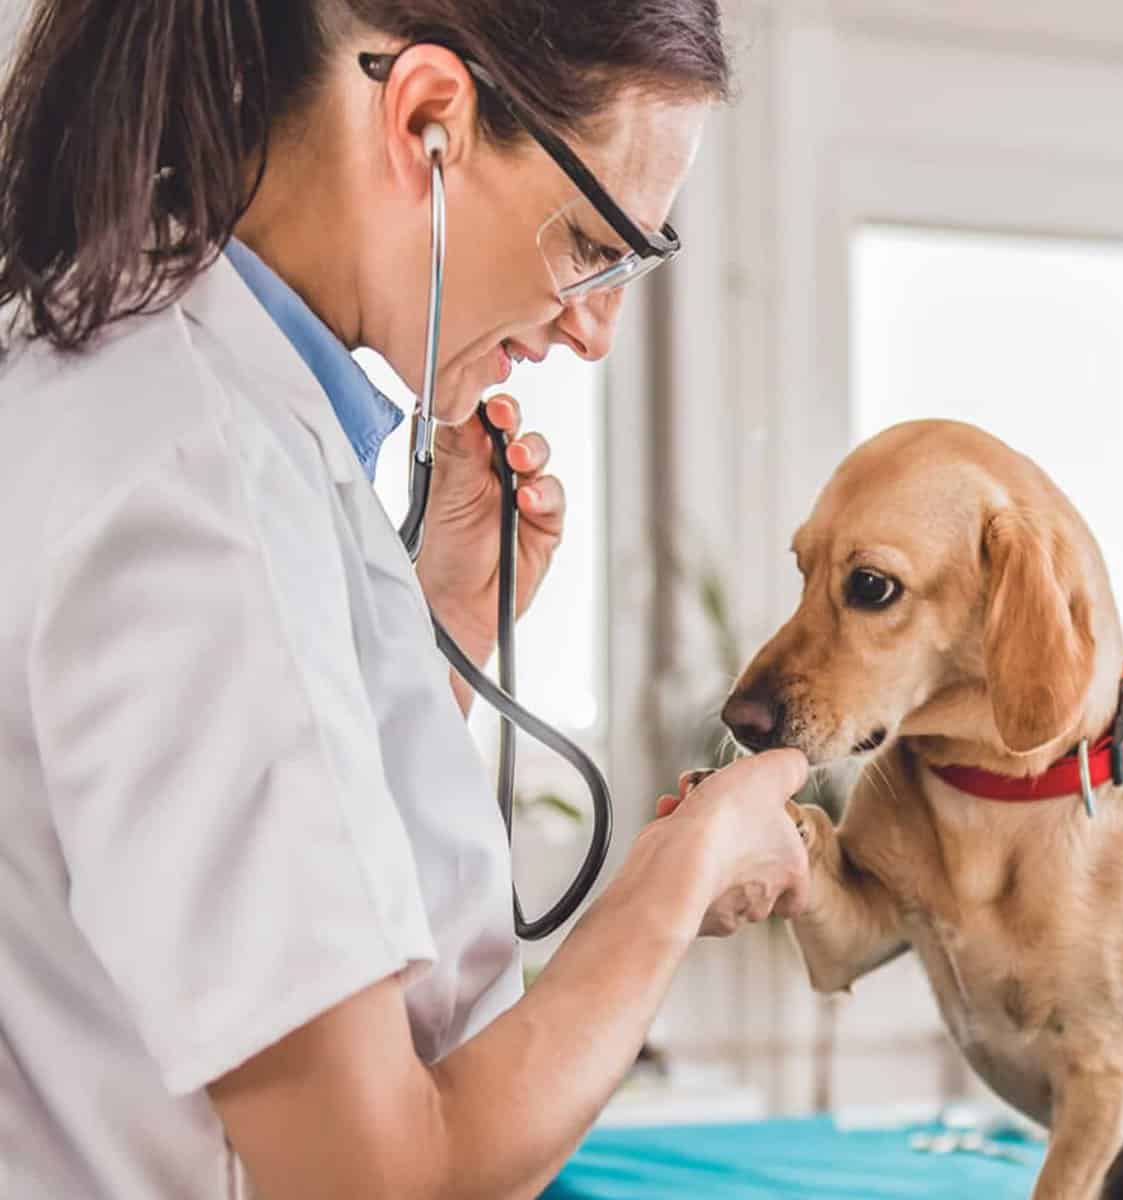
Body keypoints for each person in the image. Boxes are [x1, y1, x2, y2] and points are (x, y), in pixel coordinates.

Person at [0, 2, 810, 1196]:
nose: (595, 331)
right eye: (593, 246)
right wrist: (676, 875)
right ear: (427, 118)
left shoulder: (138, 384)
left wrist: (442, 636)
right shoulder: (194, 477)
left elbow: (225, 858)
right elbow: (376, 1176)